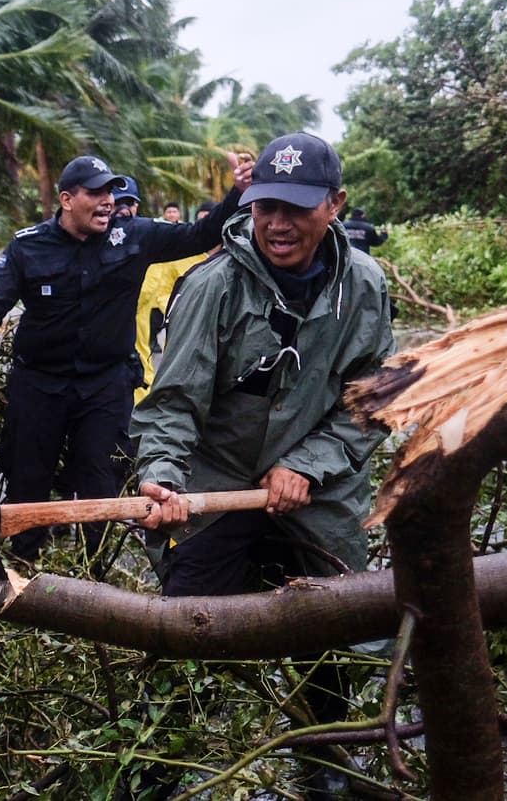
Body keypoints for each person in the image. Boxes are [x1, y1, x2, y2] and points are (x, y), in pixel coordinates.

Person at [132, 134, 394, 790]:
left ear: (335, 204)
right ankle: (156, 761)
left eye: (296, 207)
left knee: (335, 636)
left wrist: (308, 463)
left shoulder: (365, 286)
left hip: (321, 490)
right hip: (217, 480)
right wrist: (161, 472)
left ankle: (326, 760)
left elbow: (373, 402)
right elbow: (173, 399)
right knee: (186, 629)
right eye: (264, 205)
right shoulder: (214, 284)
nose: (277, 222)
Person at [0, 153, 253, 561]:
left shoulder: (136, 236)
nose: (107, 200)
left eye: (110, 191)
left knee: (100, 481)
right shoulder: (28, 247)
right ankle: (24, 568)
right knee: (29, 483)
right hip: (38, 385)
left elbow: (201, 235)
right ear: (67, 199)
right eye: (95, 193)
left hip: (104, 385)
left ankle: (95, 575)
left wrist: (238, 192)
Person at [132, 193, 217, 404]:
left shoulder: (234, 256)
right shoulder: (179, 254)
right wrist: (178, 311)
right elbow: (160, 289)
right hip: (180, 329)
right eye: (202, 221)